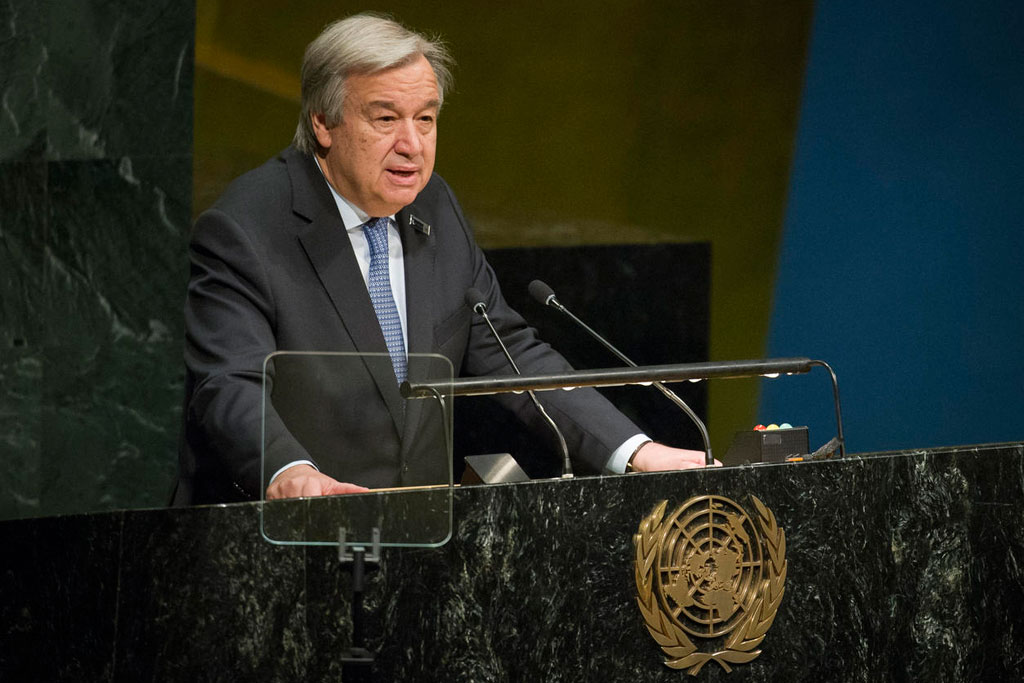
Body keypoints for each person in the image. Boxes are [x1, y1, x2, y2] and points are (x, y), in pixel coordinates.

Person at [173, 13, 711, 506]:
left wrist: (634, 451)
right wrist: (288, 469)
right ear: (323, 124)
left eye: (425, 119)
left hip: (421, 544)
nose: (412, 144)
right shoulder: (246, 228)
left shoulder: (434, 207)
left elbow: (509, 353)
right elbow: (229, 382)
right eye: (386, 119)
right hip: (279, 547)